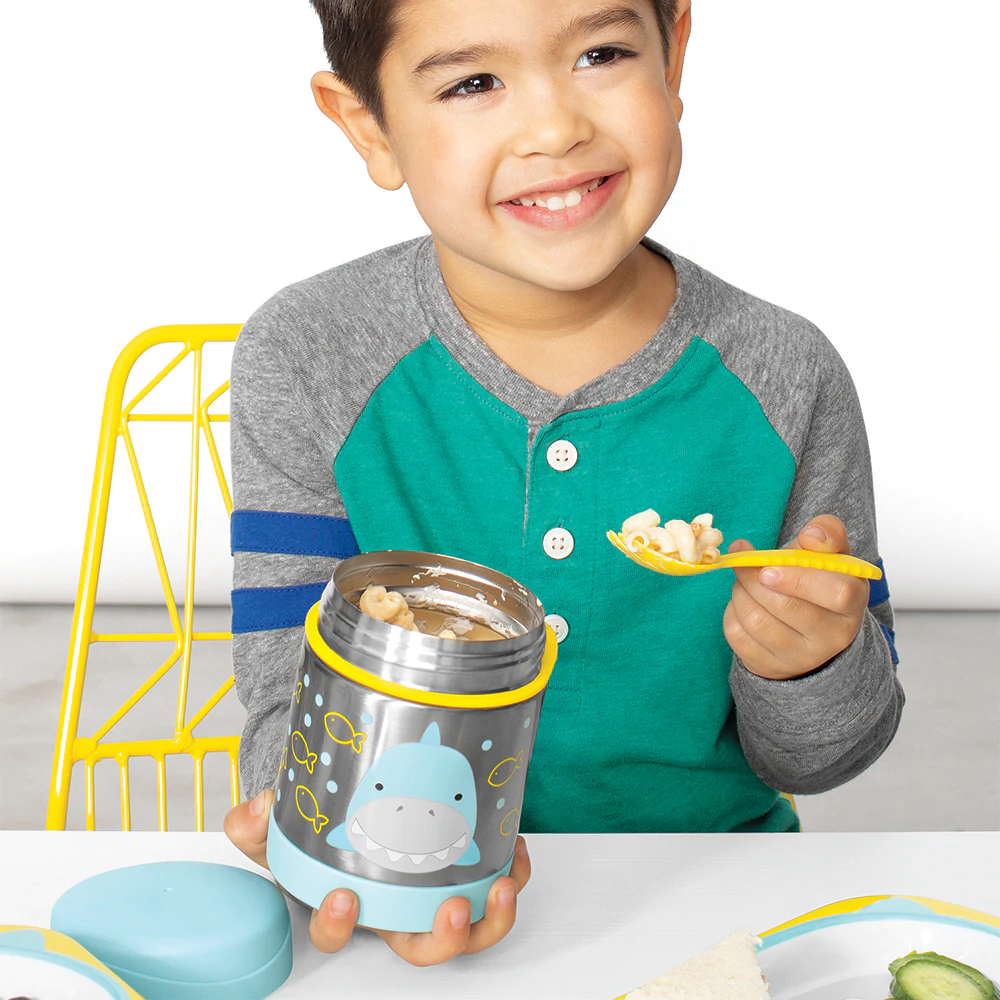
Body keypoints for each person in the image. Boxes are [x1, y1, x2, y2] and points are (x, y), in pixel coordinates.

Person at [222, 0, 904, 966]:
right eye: (473, 82)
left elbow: (829, 756)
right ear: (368, 125)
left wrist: (808, 664)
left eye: (602, 53)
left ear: (674, 57)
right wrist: (335, 847)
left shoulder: (787, 375)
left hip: (715, 906)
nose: (553, 128)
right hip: (415, 888)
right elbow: (286, 701)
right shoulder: (309, 355)